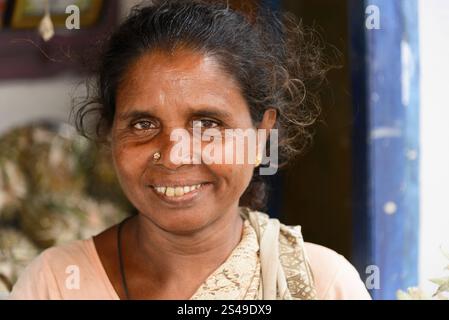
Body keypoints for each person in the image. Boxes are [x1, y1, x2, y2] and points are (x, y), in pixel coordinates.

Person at [10, 0, 371, 300]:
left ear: (262, 135)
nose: (174, 154)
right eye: (143, 124)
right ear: (110, 135)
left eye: (208, 124)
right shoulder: (54, 284)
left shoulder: (322, 285)